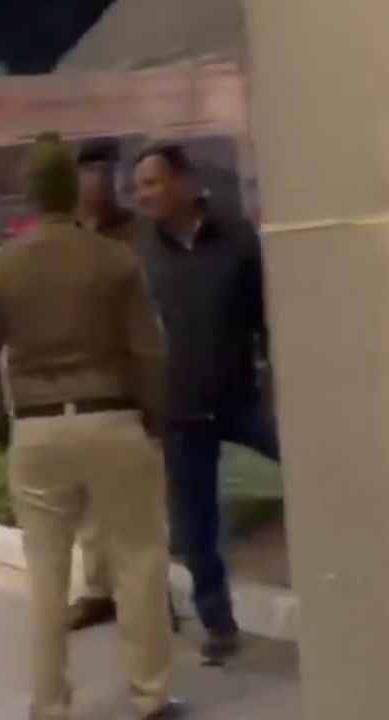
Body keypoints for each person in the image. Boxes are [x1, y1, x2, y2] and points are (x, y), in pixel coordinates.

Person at [0, 133, 185, 720]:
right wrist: (150, 417)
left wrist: (2, 426)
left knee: (45, 576)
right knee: (139, 563)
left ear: (29, 194)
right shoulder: (115, 259)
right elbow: (150, 351)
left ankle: (49, 703)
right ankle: (149, 696)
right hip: (113, 420)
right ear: (73, 190)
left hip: (38, 429)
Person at [131, 143, 279, 666]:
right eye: (139, 186)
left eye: (153, 182)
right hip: (180, 408)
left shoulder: (237, 239)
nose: (145, 194)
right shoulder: (140, 255)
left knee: (314, 468)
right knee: (195, 529)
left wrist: (275, 379)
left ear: (184, 182)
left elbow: (268, 316)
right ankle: (219, 624)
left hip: (242, 398)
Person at [66, 138, 139, 631]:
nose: (100, 182)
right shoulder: (65, 238)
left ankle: (142, 588)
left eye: (108, 172)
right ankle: (98, 590)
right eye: (91, 172)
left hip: (129, 373)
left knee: (134, 490)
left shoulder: (137, 234)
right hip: (79, 375)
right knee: (89, 490)